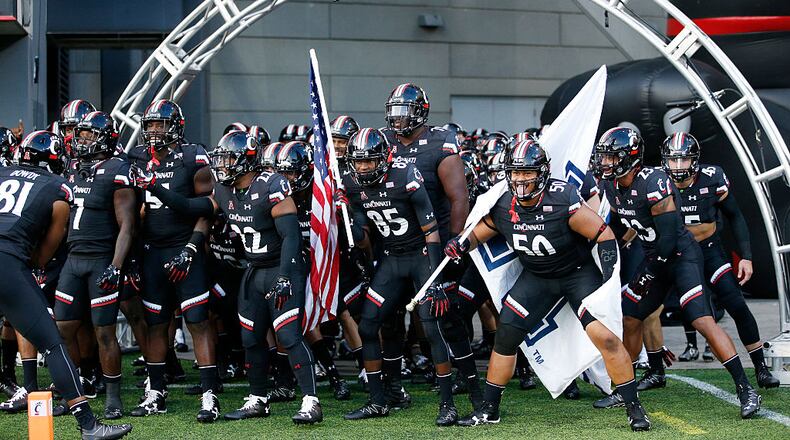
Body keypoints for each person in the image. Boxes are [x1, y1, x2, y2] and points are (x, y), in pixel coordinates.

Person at [444, 139, 649, 431]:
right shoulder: (504, 203)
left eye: (527, 172)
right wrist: (463, 243)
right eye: (515, 173)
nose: (520, 179)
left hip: (576, 274)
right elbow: (484, 228)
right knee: (505, 337)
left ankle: (634, 406)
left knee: (604, 337)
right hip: (537, 278)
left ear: (542, 172)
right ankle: (489, 409)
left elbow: (603, 235)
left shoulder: (562, 198)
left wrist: (607, 280)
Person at [593, 127, 761, 419]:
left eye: (611, 157)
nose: (605, 162)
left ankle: (745, 388)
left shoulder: (654, 182)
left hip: (681, 256)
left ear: (629, 157)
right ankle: (626, 388)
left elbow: (669, 238)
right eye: (604, 156)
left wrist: (650, 272)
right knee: (630, 316)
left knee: (701, 319)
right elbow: (624, 227)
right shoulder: (611, 186)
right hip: (654, 255)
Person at [0, 130, 131, 439]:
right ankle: (88, 425)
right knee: (53, 343)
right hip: (8, 262)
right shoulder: (57, 189)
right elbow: (44, 254)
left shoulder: (3, 172)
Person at [340, 128, 460, 426]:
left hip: (420, 256)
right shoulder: (351, 183)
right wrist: (354, 230)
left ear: (385, 158)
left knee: (432, 330)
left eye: (370, 161)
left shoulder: (406, 175)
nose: (364, 167)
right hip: (391, 258)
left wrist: (434, 278)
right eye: (359, 161)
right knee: (369, 326)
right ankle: (379, 399)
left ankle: (448, 404)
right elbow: (361, 225)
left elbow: (431, 230)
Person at [661, 132, 779, 388]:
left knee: (735, 303)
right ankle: (654, 368)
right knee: (653, 309)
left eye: (684, 160)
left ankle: (760, 368)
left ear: (695, 160)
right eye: (674, 160)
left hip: (709, 249)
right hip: (678, 254)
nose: (679, 166)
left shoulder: (712, 177)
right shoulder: (657, 183)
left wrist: (746, 256)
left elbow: (735, 215)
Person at [127, 99, 221, 423]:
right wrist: (135, 257)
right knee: (156, 324)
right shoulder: (137, 158)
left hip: (185, 249)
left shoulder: (193, 156)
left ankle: (209, 394)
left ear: (176, 127)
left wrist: (192, 249)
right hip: (153, 251)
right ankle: (156, 392)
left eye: (161, 124)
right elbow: (133, 215)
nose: (154, 130)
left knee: (197, 320)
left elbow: (209, 209)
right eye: (150, 124)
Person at [53, 112, 136, 419]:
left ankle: (114, 396)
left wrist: (116, 265)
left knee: (104, 332)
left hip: (101, 259)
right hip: (73, 261)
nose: (80, 139)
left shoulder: (117, 169)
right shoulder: (74, 168)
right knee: (62, 329)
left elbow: (127, 225)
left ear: (103, 138)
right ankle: (73, 393)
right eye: (80, 134)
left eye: (87, 135)